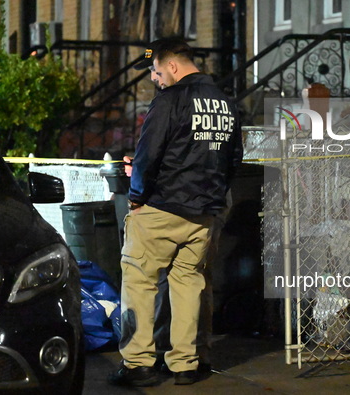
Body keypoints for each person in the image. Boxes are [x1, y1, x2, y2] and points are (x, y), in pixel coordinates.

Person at [108, 37, 243, 387]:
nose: (154, 79)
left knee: (139, 282)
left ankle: (138, 363)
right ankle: (186, 363)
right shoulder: (226, 102)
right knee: (188, 285)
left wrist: (136, 195)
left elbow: (150, 153)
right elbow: (233, 159)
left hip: (162, 207)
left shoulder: (170, 101)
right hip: (204, 214)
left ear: (172, 65)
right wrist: (212, 196)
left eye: (155, 71)